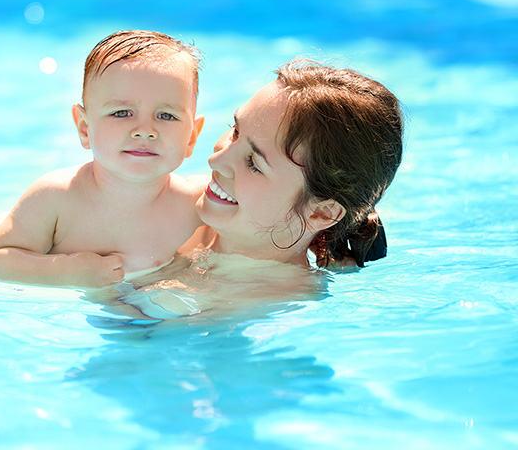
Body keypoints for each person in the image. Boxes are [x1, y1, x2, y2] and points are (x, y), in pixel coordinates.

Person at [109, 58, 403, 318]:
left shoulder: (265, 307)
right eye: (235, 131)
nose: (216, 159)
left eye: (253, 163)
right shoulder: (176, 203)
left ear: (322, 213)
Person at [0, 30, 205, 288]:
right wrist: (65, 271)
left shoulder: (197, 205)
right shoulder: (57, 197)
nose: (145, 129)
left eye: (166, 116)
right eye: (122, 113)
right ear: (85, 128)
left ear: (191, 137)